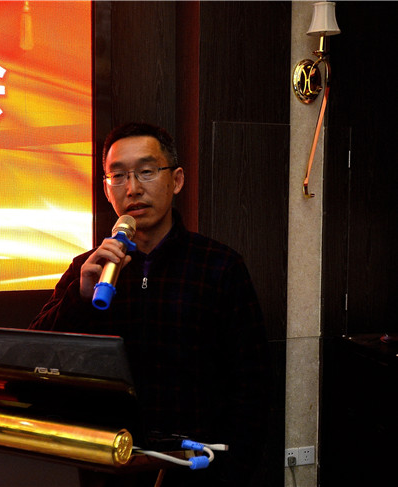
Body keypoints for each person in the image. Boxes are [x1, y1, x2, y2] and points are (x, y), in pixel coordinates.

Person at [29, 122, 270, 486]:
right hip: (106, 467)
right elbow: (35, 364)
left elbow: (252, 385)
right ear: (107, 189)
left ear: (176, 180)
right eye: (118, 176)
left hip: (195, 469)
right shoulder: (88, 269)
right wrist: (79, 298)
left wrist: (231, 470)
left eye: (146, 171)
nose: (133, 189)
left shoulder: (220, 266)